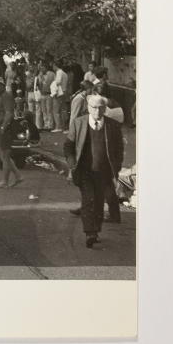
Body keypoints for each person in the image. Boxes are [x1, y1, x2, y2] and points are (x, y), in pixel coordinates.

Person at [64, 94, 124, 248]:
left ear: (105, 109)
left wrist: (116, 170)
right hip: (84, 171)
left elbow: (118, 150)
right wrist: (72, 164)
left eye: (100, 108)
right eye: (94, 108)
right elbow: (68, 146)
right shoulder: (79, 123)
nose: (97, 111)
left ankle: (95, 230)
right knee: (88, 199)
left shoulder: (113, 126)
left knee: (98, 201)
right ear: (88, 108)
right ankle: (90, 232)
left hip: (104, 172)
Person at [0, 76, 23, 189]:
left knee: (5, 156)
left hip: (6, 129)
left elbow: (9, 114)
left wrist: (3, 127)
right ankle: (18, 176)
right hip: (1, 128)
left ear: (2, 85)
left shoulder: (6, 96)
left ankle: (5, 181)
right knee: (1, 155)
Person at [51, 59, 69, 132]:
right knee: (63, 110)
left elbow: (58, 82)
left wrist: (53, 84)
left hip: (59, 92)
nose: (52, 67)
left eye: (53, 66)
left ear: (55, 66)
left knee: (56, 110)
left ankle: (58, 126)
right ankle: (65, 126)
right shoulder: (64, 73)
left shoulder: (59, 72)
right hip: (64, 91)